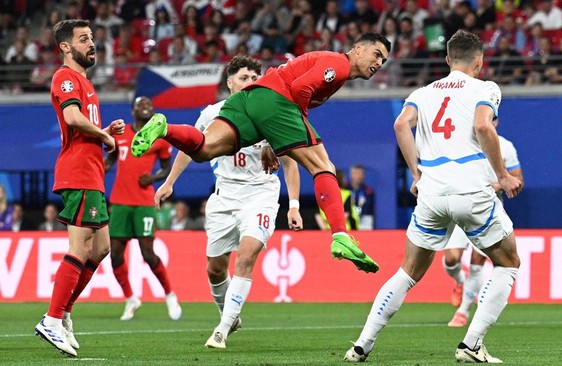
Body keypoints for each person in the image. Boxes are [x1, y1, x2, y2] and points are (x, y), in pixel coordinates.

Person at [132, 33, 392, 273]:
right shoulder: (339, 64)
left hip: (249, 99)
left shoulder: (333, 65)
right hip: (276, 101)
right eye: (377, 54)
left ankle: (165, 128)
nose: (379, 62)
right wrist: (287, 132)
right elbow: (301, 88)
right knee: (323, 166)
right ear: (358, 48)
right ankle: (340, 237)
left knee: (204, 149)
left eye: (384, 59)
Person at [343, 30, 522, 363]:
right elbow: (484, 126)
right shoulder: (485, 88)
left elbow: (400, 125)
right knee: (508, 263)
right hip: (470, 189)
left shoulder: (423, 92)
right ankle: (471, 344)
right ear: (480, 62)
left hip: (432, 192)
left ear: (447, 60)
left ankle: (361, 345)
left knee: (408, 271)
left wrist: (416, 174)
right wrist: (502, 175)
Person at [153, 56, 303, 349]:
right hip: (224, 196)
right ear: (230, 82)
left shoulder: (271, 113)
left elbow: (290, 164)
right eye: (244, 78)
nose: (250, 83)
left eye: (254, 78)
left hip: (260, 195)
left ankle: (221, 330)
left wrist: (294, 205)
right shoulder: (213, 114)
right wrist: (169, 182)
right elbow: (190, 147)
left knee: (246, 256)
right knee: (215, 269)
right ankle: (230, 316)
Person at [34, 19, 125, 358]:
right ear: (66, 48)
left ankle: (63, 313)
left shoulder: (85, 82)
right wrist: (103, 135)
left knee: (100, 248)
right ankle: (52, 319)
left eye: (92, 38)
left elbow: (82, 124)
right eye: (83, 39)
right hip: (78, 173)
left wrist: (104, 129)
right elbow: (72, 119)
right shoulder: (65, 77)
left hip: (92, 173)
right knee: (79, 245)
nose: (92, 44)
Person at [104, 96, 182, 321]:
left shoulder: (158, 138)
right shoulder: (121, 135)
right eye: (141, 105)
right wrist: (99, 169)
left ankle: (169, 294)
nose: (146, 108)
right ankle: (131, 298)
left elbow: (167, 169)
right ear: (133, 111)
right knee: (115, 254)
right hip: (119, 201)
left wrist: (153, 178)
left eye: (149, 105)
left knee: (148, 253)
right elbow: (109, 162)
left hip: (144, 202)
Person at [444, 119, 523, 327]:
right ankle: (460, 282)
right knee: (451, 259)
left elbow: (517, 178)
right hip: (461, 207)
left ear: (495, 121)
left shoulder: (505, 146)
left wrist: (497, 185)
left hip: (489, 210)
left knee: (477, 261)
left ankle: (463, 311)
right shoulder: (461, 143)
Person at [347, 164, 375, 230]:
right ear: (351, 175)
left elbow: (370, 211)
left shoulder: (369, 191)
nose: (359, 176)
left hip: (364, 219)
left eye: (361, 174)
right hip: (348, 219)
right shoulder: (345, 189)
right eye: (356, 173)